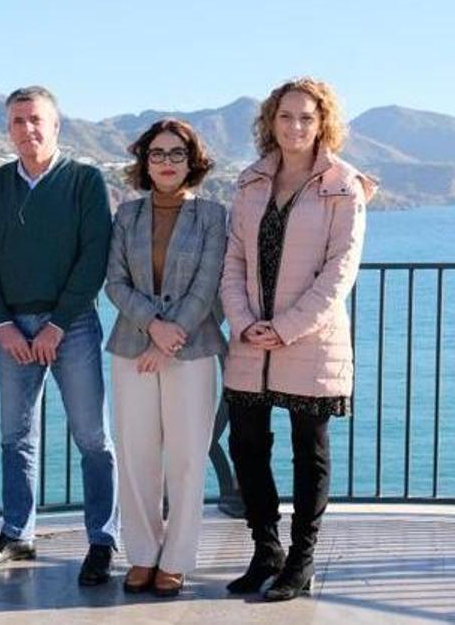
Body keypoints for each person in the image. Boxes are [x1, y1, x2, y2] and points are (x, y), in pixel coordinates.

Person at [221, 77, 377, 601]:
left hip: (311, 342)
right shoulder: (249, 184)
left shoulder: (343, 186)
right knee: (246, 446)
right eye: (286, 117)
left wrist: (284, 328)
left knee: (308, 451)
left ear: (323, 123)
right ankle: (267, 550)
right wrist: (244, 321)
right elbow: (233, 261)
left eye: (306, 118)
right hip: (250, 341)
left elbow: (339, 272)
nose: (295, 127)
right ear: (271, 120)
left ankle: (302, 560)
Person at [0, 86, 118, 585]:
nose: (27, 129)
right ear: (7, 129)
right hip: (12, 326)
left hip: (71, 326)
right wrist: (2, 322)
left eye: (36, 120)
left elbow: (94, 255)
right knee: (16, 437)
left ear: (56, 126)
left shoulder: (84, 181)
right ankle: (17, 532)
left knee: (93, 437)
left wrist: (58, 323)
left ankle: (102, 539)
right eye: (17, 121)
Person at [104, 118, 227, 597]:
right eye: (158, 153)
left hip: (191, 350)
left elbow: (208, 282)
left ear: (192, 161)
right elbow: (115, 282)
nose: (167, 162)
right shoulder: (127, 215)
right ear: (144, 161)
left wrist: (167, 338)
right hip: (132, 348)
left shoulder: (213, 215)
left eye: (177, 153)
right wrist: (152, 327)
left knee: (187, 458)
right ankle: (142, 555)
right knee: (136, 457)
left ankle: (175, 560)